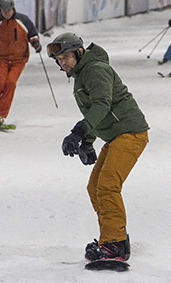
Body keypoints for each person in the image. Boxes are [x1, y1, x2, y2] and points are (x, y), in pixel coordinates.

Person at [48, 32, 149, 265]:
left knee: (107, 186)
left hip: (130, 133)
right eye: (59, 60)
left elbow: (103, 103)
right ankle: (114, 238)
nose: (63, 63)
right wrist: (88, 141)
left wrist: (80, 131)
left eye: (66, 57)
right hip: (116, 136)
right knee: (95, 187)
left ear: (79, 52)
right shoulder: (82, 74)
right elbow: (95, 110)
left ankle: (114, 243)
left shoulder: (95, 69)